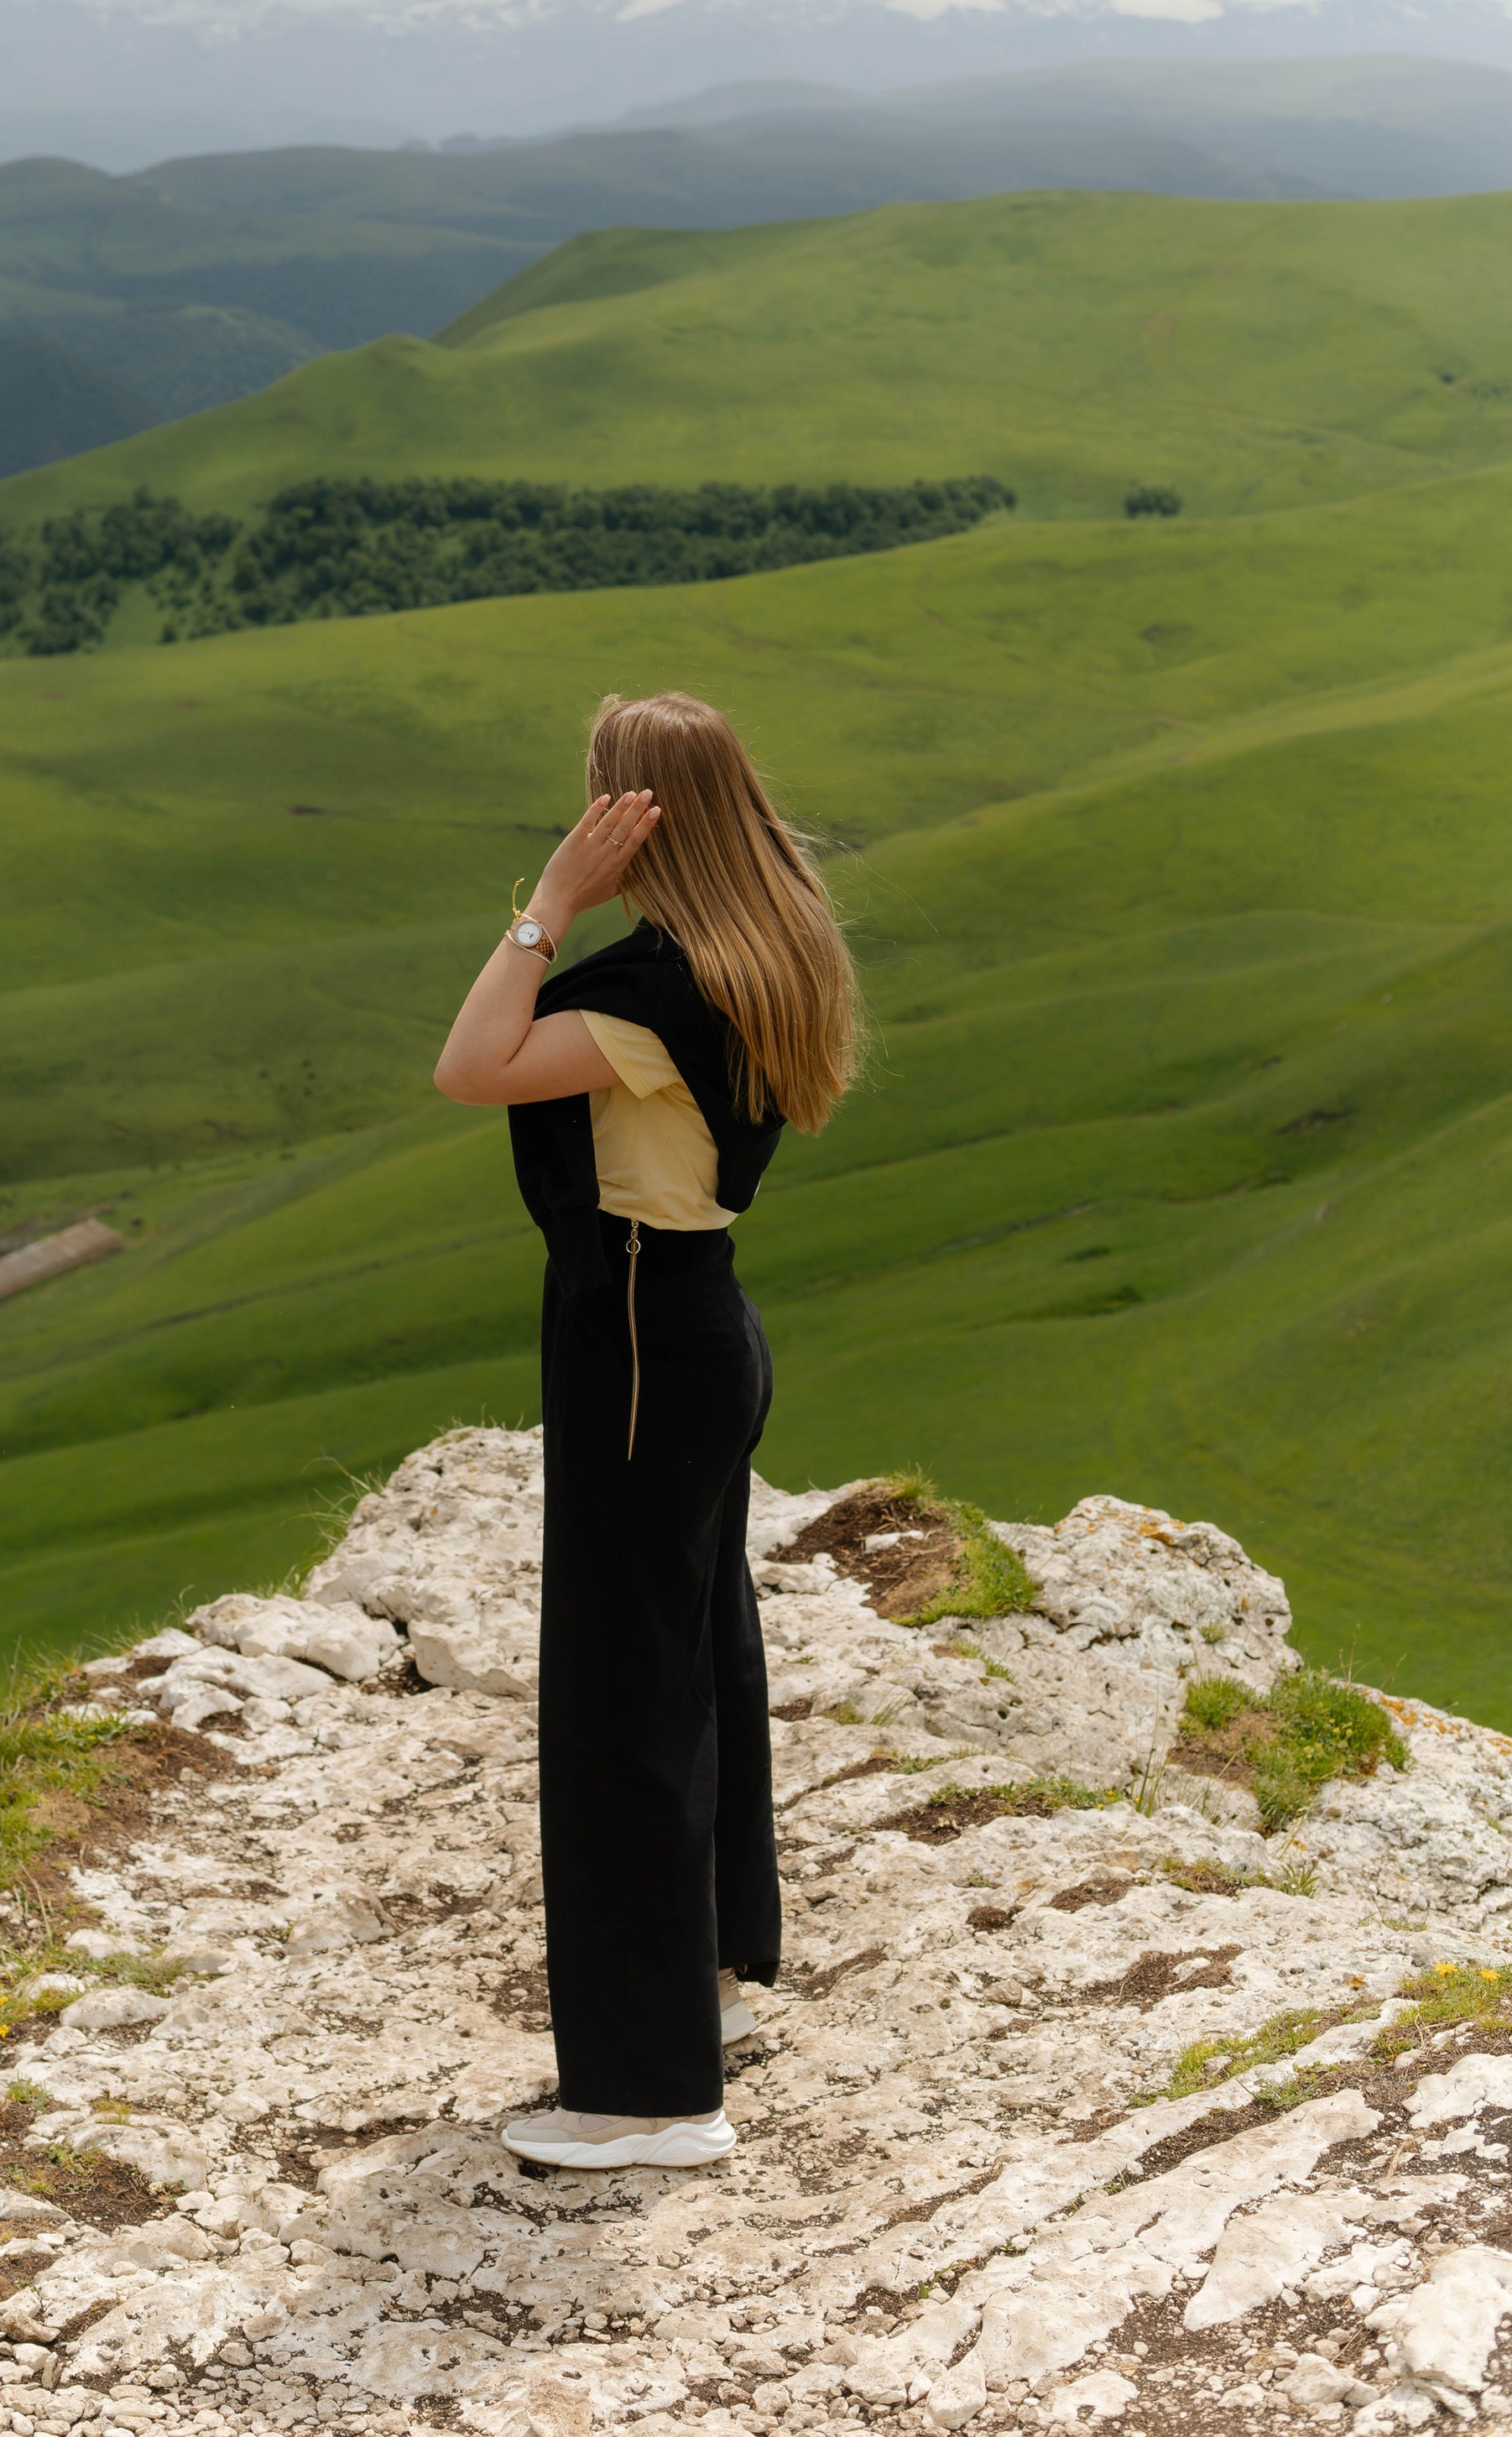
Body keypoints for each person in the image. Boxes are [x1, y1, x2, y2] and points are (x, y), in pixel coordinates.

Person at [433, 690, 859, 2171]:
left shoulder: (656, 994)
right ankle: (721, 1976)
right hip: (703, 1317)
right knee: (700, 1654)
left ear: (631, 816)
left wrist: (549, 901)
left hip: (625, 1332)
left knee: (622, 1698)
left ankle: (646, 2096)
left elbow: (472, 1064)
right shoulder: (774, 939)